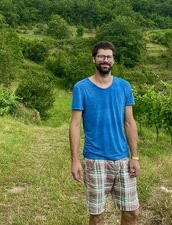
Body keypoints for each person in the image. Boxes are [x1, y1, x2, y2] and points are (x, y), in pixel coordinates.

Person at [69, 41, 140, 225]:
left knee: (132, 212)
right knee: (97, 216)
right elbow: (75, 125)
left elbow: (129, 122)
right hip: (95, 159)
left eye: (109, 56)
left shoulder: (124, 86)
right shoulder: (81, 87)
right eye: (101, 56)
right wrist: (75, 160)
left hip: (123, 159)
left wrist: (135, 157)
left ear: (113, 60)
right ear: (94, 59)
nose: (105, 60)